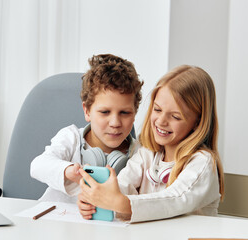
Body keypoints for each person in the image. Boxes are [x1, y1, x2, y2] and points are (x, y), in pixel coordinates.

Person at [77, 65, 225, 223]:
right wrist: (97, 198)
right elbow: (124, 183)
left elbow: (174, 200)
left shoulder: (203, 163)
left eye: (175, 116)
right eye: (157, 109)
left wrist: (121, 203)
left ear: (197, 122)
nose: (161, 121)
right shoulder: (147, 152)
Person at [30, 54, 143, 203]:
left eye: (125, 113)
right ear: (87, 111)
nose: (115, 123)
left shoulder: (140, 154)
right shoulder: (71, 138)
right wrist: (68, 171)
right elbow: (37, 166)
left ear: (135, 113)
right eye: (105, 112)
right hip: (57, 220)